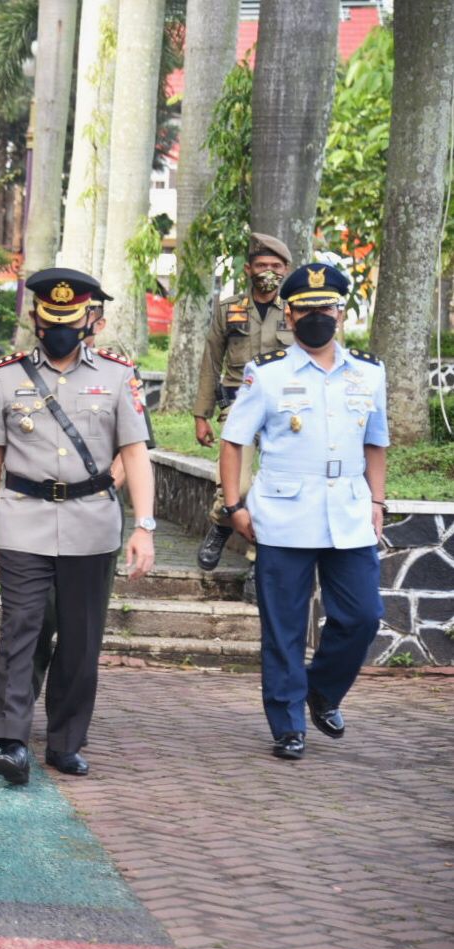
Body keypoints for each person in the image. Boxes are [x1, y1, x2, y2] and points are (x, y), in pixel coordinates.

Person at [0, 268, 156, 785]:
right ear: (35, 317)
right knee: (20, 630)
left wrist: (144, 526)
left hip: (92, 525)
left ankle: (65, 742)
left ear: (87, 319)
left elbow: (135, 454)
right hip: (23, 520)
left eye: (68, 320)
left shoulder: (118, 376)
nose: (58, 329)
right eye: (50, 319)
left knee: (80, 639)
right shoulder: (4, 376)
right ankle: (10, 740)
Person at [220, 262, 385, 761]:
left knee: (363, 617)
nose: (318, 316)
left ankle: (321, 691)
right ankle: (288, 724)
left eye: (327, 308)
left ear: (341, 312)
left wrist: (377, 502)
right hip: (284, 515)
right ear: (289, 316)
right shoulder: (266, 373)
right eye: (306, 309)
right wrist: (233, 506)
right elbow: (233, 441)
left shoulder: (369, 371)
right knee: (284, 628)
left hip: (350, 514)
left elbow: (376, 443)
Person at [195, 233, 293, 571]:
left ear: (286, 270)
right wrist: (201, 414)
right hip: (238, 405)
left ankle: (257, 559)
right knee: (239, 484)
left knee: (277, 487)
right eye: (262, 265)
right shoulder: (229, 309)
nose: (269, 271)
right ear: (248, 269)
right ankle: (221, 526)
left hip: (287, 409)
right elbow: (211, 360)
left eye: (276, 266)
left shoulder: (296, 310)